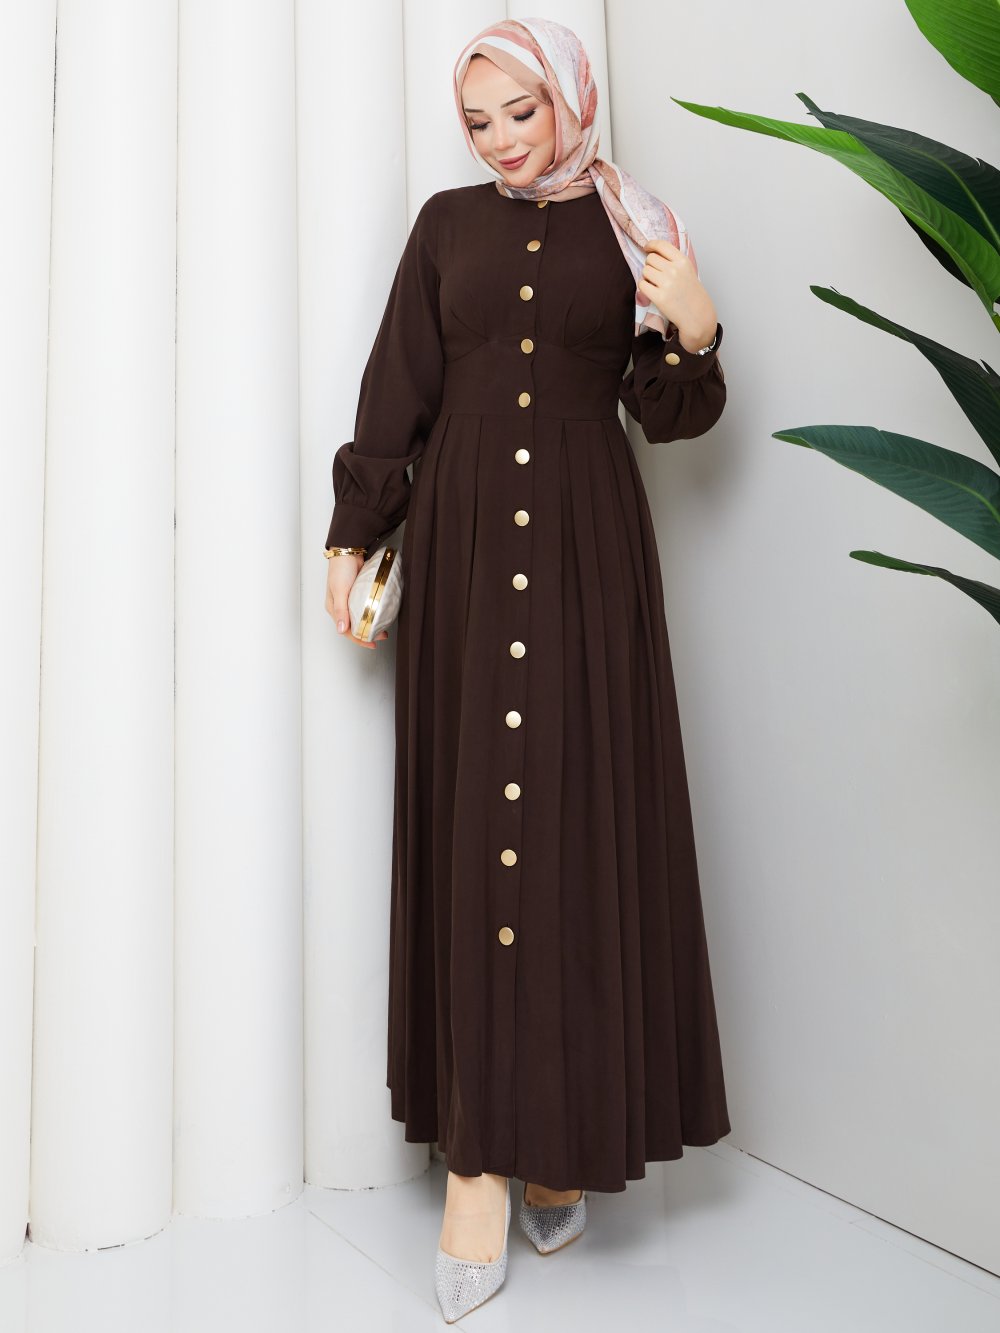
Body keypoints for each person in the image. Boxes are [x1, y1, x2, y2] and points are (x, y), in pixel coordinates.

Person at [323, 16, 731, 1323]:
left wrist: (695, 330)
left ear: (570, 101)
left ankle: (558, 1141)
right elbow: (398, 385)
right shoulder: (446, 229)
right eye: (478, 119)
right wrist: (353, 530)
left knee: (567, 830)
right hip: (459, 553)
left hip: (582, 553)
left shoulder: (634, 229)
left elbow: (671, 416)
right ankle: (479, 1165)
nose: (501, 138)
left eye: (521, 111)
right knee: (474, 833)